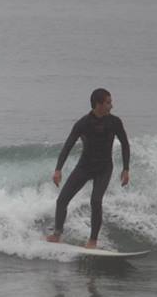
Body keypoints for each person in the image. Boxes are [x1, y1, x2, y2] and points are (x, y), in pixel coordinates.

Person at [46, 88, 130, 249]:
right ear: (98, 104)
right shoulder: (83, 123)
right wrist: (58, 169)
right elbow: (68, 146)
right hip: (84, 167)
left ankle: (92, 240)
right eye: (108, 102)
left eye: (110, 102)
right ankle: (57, 234)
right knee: (62, 200)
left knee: (96, 200)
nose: (111, 106)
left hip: (104, 168)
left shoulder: (114, 122)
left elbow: (125, 144)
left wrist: (126, 169)